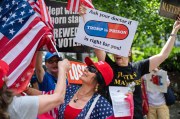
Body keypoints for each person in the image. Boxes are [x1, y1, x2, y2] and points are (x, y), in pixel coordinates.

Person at [93, 17, 180, 119]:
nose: (117, 53)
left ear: (129, 52)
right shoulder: (109, 66)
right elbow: (97, 45)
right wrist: (89, 17)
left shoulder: (138, 67)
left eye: (120, 49)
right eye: (115, 50)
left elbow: (163, 55)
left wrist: (174, 30)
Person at [0, 59, 70, 119]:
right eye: (3, 76)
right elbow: (58, 98)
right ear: (46, 64)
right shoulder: (14, 107)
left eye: (56, 61)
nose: (7, 78)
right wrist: (63, 70)